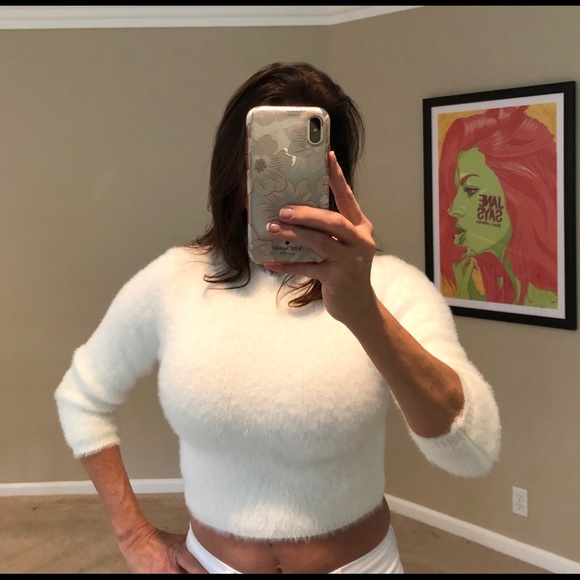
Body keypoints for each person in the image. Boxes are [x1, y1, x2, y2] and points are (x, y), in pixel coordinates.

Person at [54, 61, 501, 574]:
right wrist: (134, 535)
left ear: (334, 173)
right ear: (233, 164)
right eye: (264, 156)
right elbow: (80, 396)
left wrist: (364, 313)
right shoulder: (174, 281)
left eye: (303, 160)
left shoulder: (390, 287)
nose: (281, 178)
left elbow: (473, 451)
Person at [438, 105, 558, 307]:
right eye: (456, 189)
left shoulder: (549, 299)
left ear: (519, 198)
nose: (453, 209)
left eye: (470, 190)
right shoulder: (473, 281)